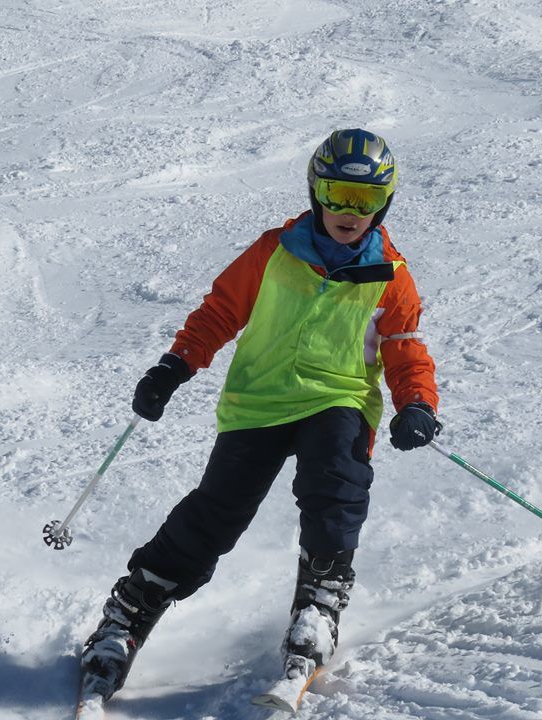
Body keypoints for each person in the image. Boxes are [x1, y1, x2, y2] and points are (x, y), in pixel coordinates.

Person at [79, 128, 441, 701]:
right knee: (217, 514)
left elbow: (405, 346)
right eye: (339, 194)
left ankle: (320, 599)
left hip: (338, 398)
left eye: (366, 200)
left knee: (336, 480)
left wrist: (416, 404)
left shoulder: (391, 278)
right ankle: (129, 612)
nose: (350, 212)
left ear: (385, 202)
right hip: (258, 401)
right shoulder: (274, 250)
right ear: (316, 191)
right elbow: (221, 312)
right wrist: (174, 367)